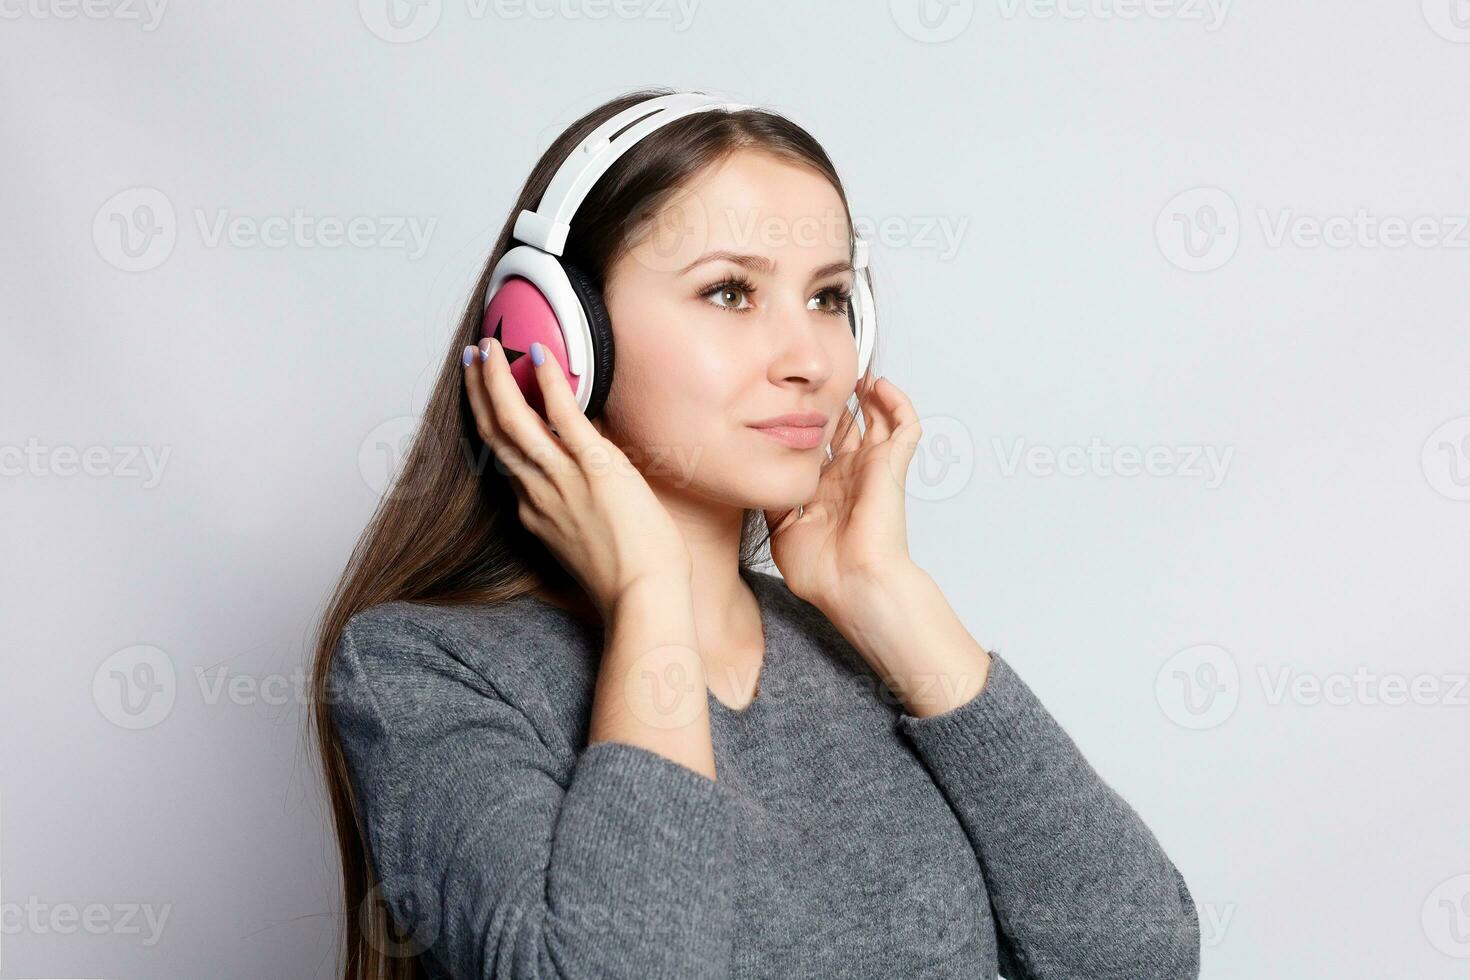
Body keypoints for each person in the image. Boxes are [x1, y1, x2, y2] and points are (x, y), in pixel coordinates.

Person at [308, 86, 1201, 980]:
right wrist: (650, 598)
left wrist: (885, 595)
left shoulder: (863, 649)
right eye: (730, 292)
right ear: (555, 334)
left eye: (827, 298)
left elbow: (1137, 960)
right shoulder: (424, 669)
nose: (811, 361)